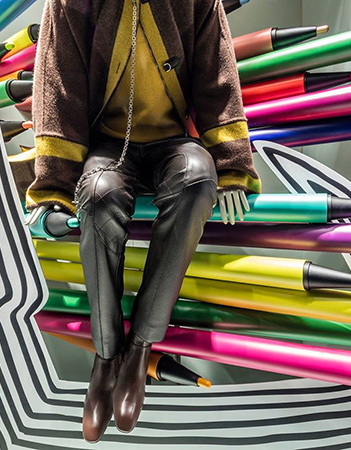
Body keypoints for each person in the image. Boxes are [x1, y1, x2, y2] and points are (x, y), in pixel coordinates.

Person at [23, 0, 262, 442]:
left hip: (174, 142)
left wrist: (231, 165)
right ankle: (105, 356)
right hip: (108, 145)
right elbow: (58, 87)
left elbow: (218, 75)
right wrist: (55, 186)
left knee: (197, 183)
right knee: (98, 197)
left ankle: (139, 349)